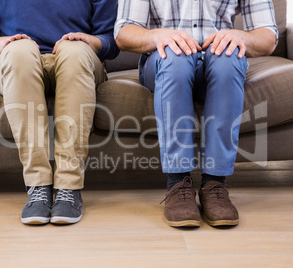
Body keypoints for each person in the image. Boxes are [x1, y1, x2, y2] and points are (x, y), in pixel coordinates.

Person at [115, 0, 277, 227]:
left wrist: (241, 37)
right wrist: (158, 36)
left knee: (228, 58)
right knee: (175, 56)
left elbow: (268, 36)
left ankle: (215, 184)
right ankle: (178, 183)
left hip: (220, 60)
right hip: (164, 62)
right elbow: (124, 32)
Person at [0, 0, 119, 225]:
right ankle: (38, 186)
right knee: (21, 49)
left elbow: (113, 40)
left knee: (74, 49)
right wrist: (0, 44)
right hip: (18, 63)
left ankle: (68, 187)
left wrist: (90, 41)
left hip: (77, 62)